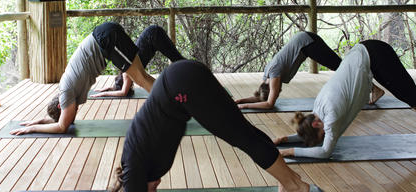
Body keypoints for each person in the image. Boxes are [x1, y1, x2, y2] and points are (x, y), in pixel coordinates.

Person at [111, 60, 316, 192]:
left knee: (243, 137)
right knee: (244, 132)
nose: (157, 187)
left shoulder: (133, 174)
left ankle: (295, 185)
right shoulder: (135, 162)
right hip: (182, 78)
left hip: (183, 87)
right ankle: (288, 180)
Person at [275, 40, 416, 158]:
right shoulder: (317, 110)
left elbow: (325, 151)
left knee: (413, 95)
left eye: (322, 135)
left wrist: (289, 151)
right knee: (407, 96)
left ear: (317, 125)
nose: (326, 136)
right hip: (370, 54)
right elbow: (316, 137)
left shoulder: (331, 114)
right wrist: (287, 139)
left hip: (374, 55)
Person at [10, 22, 158, 135]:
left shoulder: (66, 92)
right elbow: (66, 121)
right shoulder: (69, 91)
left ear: (61, 106)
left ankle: (170, 105)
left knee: (141, 79)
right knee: (140, 77)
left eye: (67, 113)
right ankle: (172, 99)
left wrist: (34, 128)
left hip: (106, 41)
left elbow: (62, 126)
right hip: (105, 36)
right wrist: (42, 120)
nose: (72, 116)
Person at [235, 32, 384, 110]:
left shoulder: (274, 74)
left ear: (272, 87)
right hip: (305, 42)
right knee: (340, 67)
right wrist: (239, 101)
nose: (279, 91)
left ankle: (375, 89)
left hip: (307, 43)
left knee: (342, 68)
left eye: (277, 91)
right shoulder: (266, 76)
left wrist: (245, 106)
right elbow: (261, 98)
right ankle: (371, 88)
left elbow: (269, 104)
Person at [91, 24, 186, 98]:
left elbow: (123, 93)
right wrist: (110, 88)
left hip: (153, 35)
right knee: (177, 59)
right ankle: (192, 75)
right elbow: (120, 89)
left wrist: (104, 94)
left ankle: (194, 78)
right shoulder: (126, 67)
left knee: (178, 60)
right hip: (152, 33)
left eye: (128, 86)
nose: (130, 85)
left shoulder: (127, 73)